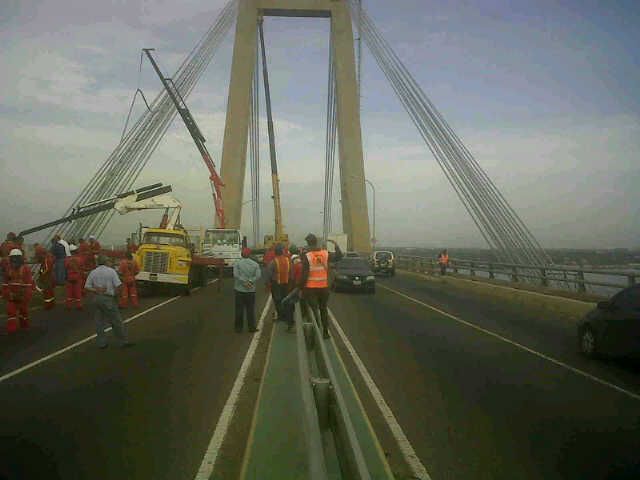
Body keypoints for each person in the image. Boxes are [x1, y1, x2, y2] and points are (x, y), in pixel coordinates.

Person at [299, 233, 343, 339]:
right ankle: (325, 332)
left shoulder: (307, 256)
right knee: (323, 309)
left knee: (314, 310)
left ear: (308, 243)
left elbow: (304, 274)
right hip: (323, 287)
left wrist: (300, 287)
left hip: (311, 288)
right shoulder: (325, 254)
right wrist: (336, 245)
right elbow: (339, 256)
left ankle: (316, 331)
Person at [84, 255, 131, 348]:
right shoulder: (111, 271)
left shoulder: (93, 272)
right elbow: (118, 285)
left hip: (97, 298)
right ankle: (123, 341)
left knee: (99, 322)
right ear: (106, 262)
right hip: (108, 298)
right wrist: (117, 295)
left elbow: (87, 286)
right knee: (116, 321)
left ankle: (102, 343)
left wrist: (96, 290)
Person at [2, 249, 34, 334]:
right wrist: (9, 295)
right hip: (12, 296)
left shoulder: (25, 269)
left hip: (22, 296)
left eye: (16, 258)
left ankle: (24, 326)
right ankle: (12, 330)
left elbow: (28, 285)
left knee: (23, 312)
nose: (14, 260)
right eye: (13, 258)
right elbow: (5, 284)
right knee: (10, 311)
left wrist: (23, 296)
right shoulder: (8, 269)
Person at [264, 244, 294, 331]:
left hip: (276, 284)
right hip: (287, 284)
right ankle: (288, 318)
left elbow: (269, 274)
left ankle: (281, 316)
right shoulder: (288, 260)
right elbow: (291, 273)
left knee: (277, 300)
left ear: (275, 253)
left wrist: (267, 284)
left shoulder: (273, 262)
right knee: (286, 300)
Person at [233, 247, 261, 333]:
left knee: (239, 310)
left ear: (242, 254)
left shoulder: (237, 263)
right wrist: (250, 281)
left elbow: (236, 275)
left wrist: (244, 282)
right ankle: (251, 327)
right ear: (250, 255)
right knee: (250, 310)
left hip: (239, 290)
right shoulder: (255, 264)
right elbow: (258, 275)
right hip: (250, 291)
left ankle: (238, 328)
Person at [35, 244, 56, 310]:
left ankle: (48, 304)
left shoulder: (47, 258)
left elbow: (46, 268)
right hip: (50, 276)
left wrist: (41, 273)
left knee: (46, 291)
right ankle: (52, 302)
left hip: (47, 277)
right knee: (50, 290)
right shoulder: (49, 256)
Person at [64, 245, 84, 310]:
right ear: (76, 251)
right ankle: (79, 305)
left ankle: (69, 306)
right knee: (78, 292)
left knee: (69, 293)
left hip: (69, 278)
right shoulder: (80, 259)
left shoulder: (67, 259)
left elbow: (66, 267)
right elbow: (82, 267)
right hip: (77, 278)